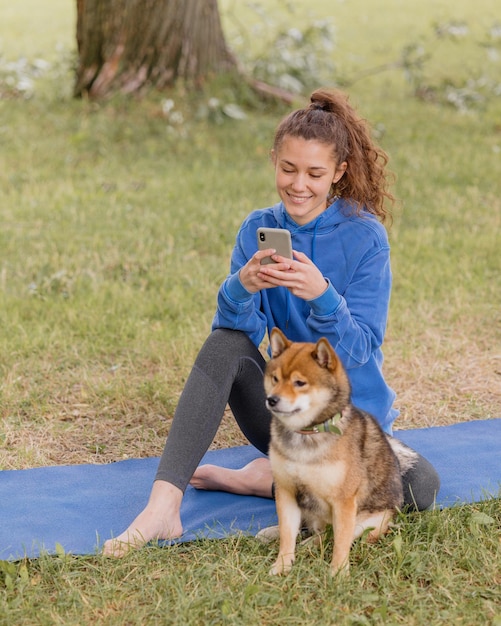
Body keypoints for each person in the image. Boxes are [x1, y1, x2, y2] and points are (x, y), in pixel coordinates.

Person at [103, 88, 440, 557]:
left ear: (338, 173)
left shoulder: (366, 237)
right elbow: (235, 328)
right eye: (288, 169)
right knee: (224, 342)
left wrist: (322, 296)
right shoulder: (256, 229)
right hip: (284, 416)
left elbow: (360, 348)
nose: (299, 184)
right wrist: (242, 285)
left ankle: (264, 480)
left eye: (315, 173)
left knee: (420, 487)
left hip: (349, 426)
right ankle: (163, 507)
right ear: (274, 163)